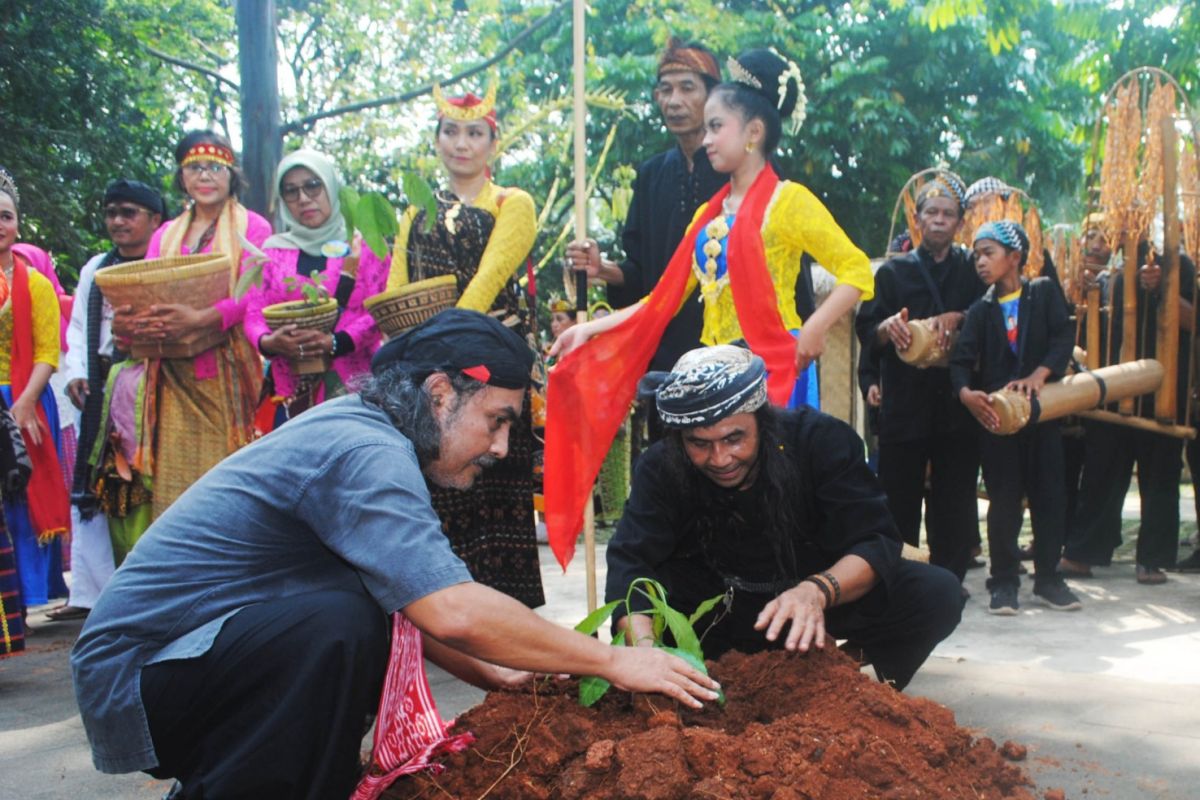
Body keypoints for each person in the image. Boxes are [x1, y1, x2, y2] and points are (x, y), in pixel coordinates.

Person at [71, 309, 720, 800]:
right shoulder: (367, 453)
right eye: (496, 420)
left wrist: (495, 674)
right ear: (441, 394)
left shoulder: (363, 434)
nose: (500, 447)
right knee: (339, 625)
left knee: (351, 613)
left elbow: (399, 597)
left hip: (181, 669)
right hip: (139, 682)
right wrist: (615, 659)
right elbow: (451, 610)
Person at [544, 49, 873, 553]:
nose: (707, 137)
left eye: (717, 126)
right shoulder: (710, 213)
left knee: (777, 498)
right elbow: (665, 297)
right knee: (716, 502)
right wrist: (593, 328)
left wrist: (815, 326)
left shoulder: (790, 201)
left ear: (754, 133)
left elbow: (854, 272)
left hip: (772, 369)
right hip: (710, 374)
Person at [605, 345, 961, 691]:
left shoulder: (821, 441)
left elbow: (875, 540)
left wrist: (815, 592)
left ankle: (836, 680)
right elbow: (631, 564)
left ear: (761, 419)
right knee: (651, 595)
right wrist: (645, 652)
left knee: (935, 593)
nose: (720, 458)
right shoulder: (660, 466)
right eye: (699, 443)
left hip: (812, 603)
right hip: (717, 617)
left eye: (734, 438)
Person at [384, 86, 544, 607]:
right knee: (435, 486)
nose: (462, 143)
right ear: (436, 139)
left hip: (490, 366)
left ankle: (506, 618)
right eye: (450, 131)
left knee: (495, 481)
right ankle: (437, 607)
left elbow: (489, 280)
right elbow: (396, 288)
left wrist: (438, 343)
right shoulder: (414, 210)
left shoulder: (511, 203)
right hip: (432, 371)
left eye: (475, 132)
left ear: (492, 144)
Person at [104, 131, 270, 553]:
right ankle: (180, 567)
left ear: (232, 175)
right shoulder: (165, 235)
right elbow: (149, 289)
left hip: (229, 370)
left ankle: (232, 564)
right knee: (175, 478)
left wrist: (203, 317)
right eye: (195, 167)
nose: (205, 175)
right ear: (182, 176)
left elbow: (253, 293)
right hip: (172, 368)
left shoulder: (253, 226)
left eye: (216, 167)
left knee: (227, 472)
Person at [565, 37, 726, 374]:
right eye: (665, 90)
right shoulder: (652, 175)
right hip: (667, 354)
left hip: (729, 348)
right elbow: (642, 275)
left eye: (687, 88)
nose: (674, 101)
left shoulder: (737, 171)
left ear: (713, 96)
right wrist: (602, 269)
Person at [856, 173, 983, 582]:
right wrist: (889, 327)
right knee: (898, 495)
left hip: (956, 400)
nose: (940, 220)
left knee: (956, 497)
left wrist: (960, 316)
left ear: (959, 222)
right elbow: (868, 332)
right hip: (906, 401)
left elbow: (991, 314)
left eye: (948, 214)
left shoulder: (974, 270)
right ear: (919, 219)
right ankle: (901, 578)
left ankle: (949, 582)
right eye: (932, 212)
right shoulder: (893, 274)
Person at [949, 220, 1081, 615]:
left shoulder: (1042, 293)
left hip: (1041, 418)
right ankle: (1003, 582)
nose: (980, 262)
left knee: (1048, 497)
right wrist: (966, 394)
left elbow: (1062, 337)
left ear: (1015, 257)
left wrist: (1040, 375)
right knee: (1004, 501)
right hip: (998, 422)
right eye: (976, 255)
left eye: (988, 253)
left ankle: (1048, 579)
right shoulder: (980, 310)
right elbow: (960, 362)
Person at [50, 180, 165, 622]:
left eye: (129, 212)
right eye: (112, 212)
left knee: (141, 487)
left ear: (155, 220)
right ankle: (92, 594)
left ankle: (142, 588)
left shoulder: (165, 261)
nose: (118, 221)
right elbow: (79, 327)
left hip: (150, 386)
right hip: (100, 386)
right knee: (97, 487)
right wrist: (77, 374)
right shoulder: (95, 268)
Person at [1062, 237, 1197, 583]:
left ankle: (1152, 559)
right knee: (1101, 472)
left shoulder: (1180, 266)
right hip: (1115, 385)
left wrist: (1164, 290)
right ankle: (1083, 552)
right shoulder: (1113, 275)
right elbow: (1097, 330)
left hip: (1163, 392)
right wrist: (1086, 295)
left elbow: (1191, 320)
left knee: (1160, 477)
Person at [245, 149, 388, 427]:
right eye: (291, 191)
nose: (304, 198)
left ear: (331, 186)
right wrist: (268, 342)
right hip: (290, 391)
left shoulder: (364, 246)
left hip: (354, 386)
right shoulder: (272, 252)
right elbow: (253, 311)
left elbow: (380, 307)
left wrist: (337, 342)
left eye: (313, 185)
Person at [0, 167, 70, 612]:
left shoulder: (38, 285)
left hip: (25, 397)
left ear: (18, 224)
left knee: (22, 499)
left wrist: (23, 404)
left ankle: (27, 595)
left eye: (5, 216)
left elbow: (48, 351)